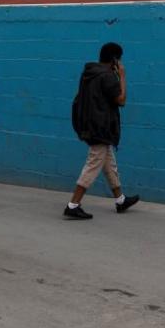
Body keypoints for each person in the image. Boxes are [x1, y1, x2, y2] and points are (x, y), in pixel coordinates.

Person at [65, 42, 139, 219]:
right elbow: (121, 100)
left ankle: (120, 200)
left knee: (109, 163)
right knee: (93, 164)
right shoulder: (107, 76)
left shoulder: (90, 73)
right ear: (114, 59)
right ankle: (73, 204)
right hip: (101, 127)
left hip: (90, 125)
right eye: (119, 59)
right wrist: (122, 76)